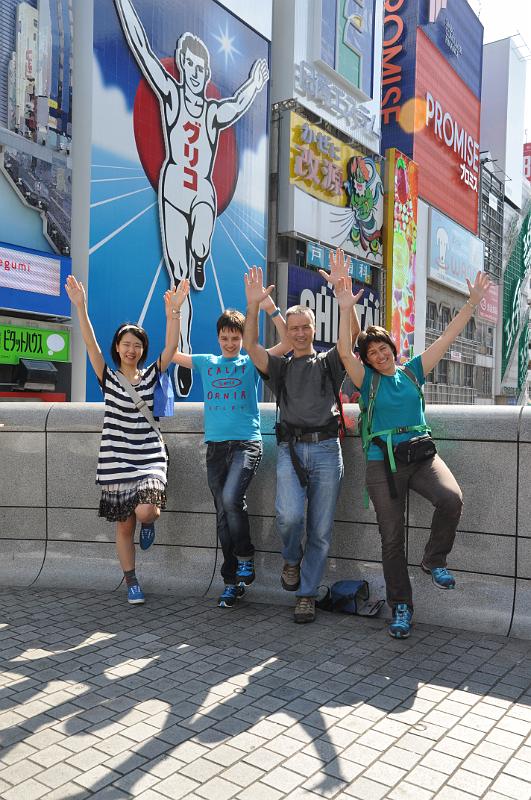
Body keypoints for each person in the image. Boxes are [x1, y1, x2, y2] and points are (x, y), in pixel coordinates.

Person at [114, 0, 269, 398]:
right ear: (182, 68)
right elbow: (142, 50)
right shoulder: (171, 96)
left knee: (201, 231)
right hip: (172, 189)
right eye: (191, 68)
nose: (196, 75)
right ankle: (182, 351)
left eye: (202, 70)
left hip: (200, 190)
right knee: (178, 286)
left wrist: (254, 82)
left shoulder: (213, 113)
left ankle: (201, 256)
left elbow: (237, 105)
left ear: (207, 73)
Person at [335, 271, 491, 639]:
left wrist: (471, 303)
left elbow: (448, 337)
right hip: (382, 462)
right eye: (372, 353)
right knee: (391, 538)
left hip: (421, 455)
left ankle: (433, 559)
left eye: (382, 347)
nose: (379, 354)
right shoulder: (368, 381)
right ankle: (401, 606)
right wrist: (345, 309)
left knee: (451, 499)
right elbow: (344, 351)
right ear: (369, 362)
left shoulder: (412, 372)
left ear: (391, 346)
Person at [243, 254, 359, 624]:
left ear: (313, 327)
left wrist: (344, 304)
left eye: (304, 327)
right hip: (290, 450)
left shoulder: (329, 362)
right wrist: (252, 305)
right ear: (287, 331)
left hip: (327, 449)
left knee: (321, 530)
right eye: (292, 328)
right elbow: (251, 349)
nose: (298, 332)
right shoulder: (280, 367)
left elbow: (350, 341)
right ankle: (291, 558)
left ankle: (306, 594)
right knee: (290, 517)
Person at [65, 274, 190, 605]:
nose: (132, 349)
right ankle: (131, 580)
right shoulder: (109, 378)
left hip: (149, 455)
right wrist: (81, 306)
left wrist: (173, 313)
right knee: (123, 528)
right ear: (118, 348)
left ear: (142, 349)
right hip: (116, 459)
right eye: (126, 344)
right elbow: (90, 343)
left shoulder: (152, 375)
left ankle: (149, 523)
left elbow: (172, 348)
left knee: (147, 511)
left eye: (137, 345)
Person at [172, 295, 289, 608]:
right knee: (223, 515)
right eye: (224, 337)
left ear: (242, 338)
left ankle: (246, 557)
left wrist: (270, 308)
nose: (230, 343)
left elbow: (288, 342)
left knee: (230, 499)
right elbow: (170, 354)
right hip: (216, 448)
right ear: (217, 337)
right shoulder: (207, 362)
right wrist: (174, 312)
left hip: (246, 444)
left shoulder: (251, 361)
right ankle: (232, 580)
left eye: (235, 337)